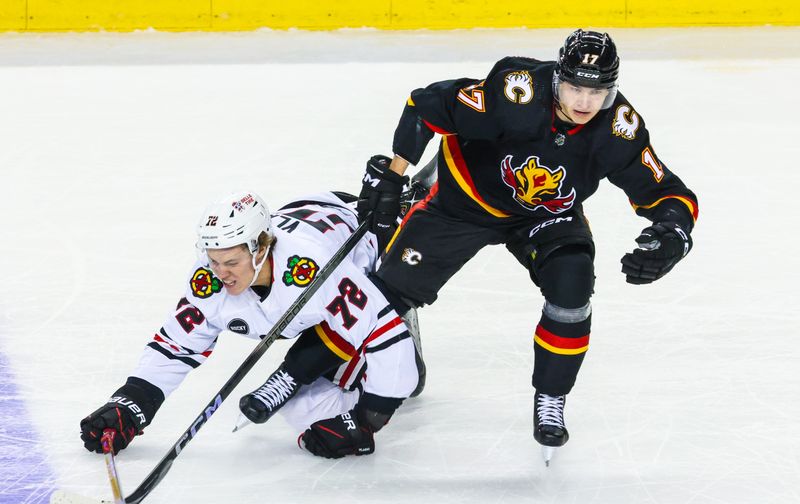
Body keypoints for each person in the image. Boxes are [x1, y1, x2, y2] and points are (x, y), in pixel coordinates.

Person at [357, 29, 699, 461]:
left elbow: (668, 194)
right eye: (575, 87)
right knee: (388, 292)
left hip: (545, 214)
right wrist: (394, 172)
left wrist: (672, 236)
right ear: (558, 78)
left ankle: (551, 398)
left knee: (573, 284)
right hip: (464, 202)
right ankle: (384, 345)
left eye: (597, 91)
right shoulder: (516, 91)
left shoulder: (617, 127)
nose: (584, 102)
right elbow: (426, 105)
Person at [79, 189, 423, 460]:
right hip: (310, 208)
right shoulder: (210, 281)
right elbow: (177, 345)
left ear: (262, 248)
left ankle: (398, 294)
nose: (220, 273)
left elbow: (386, 337)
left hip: (359, 248)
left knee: (329, 388)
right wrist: (132, 403)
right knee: (305, 409)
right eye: (213, 261)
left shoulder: (315, 273)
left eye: (231, 262)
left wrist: (366, 421)